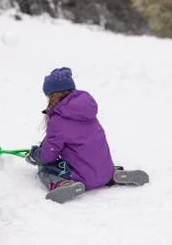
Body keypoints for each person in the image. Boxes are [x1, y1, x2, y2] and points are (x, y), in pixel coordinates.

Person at [27, 67, 149, 204]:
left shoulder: (58, 121)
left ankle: (65, 184)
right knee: (91, 158)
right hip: (105, 170)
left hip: (83, 177)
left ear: (53, 96)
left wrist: (35, 155)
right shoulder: (86, 112)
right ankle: (112, 175)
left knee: (46, 168)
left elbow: (48, 155)